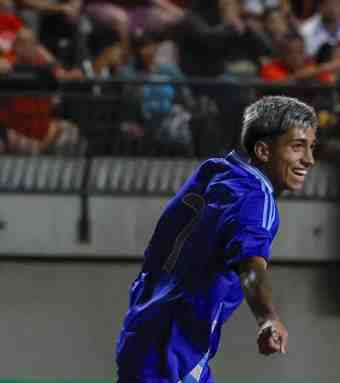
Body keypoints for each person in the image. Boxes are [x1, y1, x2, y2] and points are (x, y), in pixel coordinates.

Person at [115, 96, 318, 382]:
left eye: (311, 147)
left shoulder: (216, 171)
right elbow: (251, 266)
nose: (309, 159)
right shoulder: (256, 198)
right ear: (263, 150)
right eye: (297, 146)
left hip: (145, 330)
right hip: (176, 347)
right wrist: (268, 317)